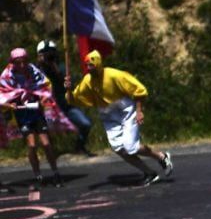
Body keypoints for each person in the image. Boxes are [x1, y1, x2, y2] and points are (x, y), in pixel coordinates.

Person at [65, 50, 172, 186]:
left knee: (131, 147)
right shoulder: (88, 81)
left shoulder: (114, 75)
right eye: (87, 66)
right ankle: (149, 173)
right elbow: (74, 99)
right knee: (119, 148)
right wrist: (68, 89)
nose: (88, 68)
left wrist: (139, 111)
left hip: (125, 111)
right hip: (107, 114)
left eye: (91, 65)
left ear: (98, 64)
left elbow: (139, 90)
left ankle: (161, 156)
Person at [0, 48, 61, 187]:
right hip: (22, 114)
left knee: (46, 143)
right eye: (18, 62)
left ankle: (56, 173)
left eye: (24, 62)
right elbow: (2, 95)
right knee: (32, 144)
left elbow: (45, 86)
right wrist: (10, 106)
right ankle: (38, 176)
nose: (21, 65)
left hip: (36, 110)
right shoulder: (7, 75)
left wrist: (43, 100)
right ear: (13, 62)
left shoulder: (33, 70)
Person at [36, 40, 94, 156]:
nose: (49, 55)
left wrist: (53, 66)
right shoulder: (36, 70)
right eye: (45, 53)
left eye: (51, 52)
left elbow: (66, 82)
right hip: (48, 108)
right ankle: (51, 152)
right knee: (45, 129)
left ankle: (79, 147)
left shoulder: (62, 66)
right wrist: (41, 65)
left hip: (65, 105)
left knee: (85, 124)